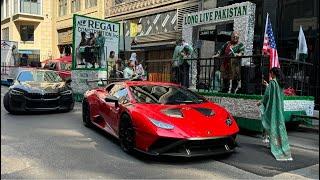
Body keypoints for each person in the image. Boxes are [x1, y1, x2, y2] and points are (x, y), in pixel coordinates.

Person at [257, 67, 293, 161]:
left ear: (273, 73)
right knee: (279, 125)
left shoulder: (273, 82)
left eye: (271, 73)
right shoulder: (281, 83)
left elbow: (267, 95)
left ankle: (273, 144)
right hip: (280, 107)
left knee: (269, 123)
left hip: (273, 108)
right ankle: (278, 145)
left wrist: (261, 102)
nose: (270, 75)